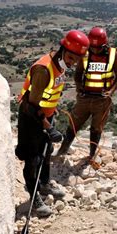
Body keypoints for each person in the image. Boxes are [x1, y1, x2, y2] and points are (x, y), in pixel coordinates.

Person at [15, 30, 89, 217]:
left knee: (46, 152)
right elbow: (31, 105)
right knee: (33, 160)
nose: (72, 63)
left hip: (45, 116)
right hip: (31, 119)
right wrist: (49, 127)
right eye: (71, 57)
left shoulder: (60, 65)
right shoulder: (43, 69)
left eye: (76, 60)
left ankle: (45, 185)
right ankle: (34, 198)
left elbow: (48, 95)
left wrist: (52, 112)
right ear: (63, 49)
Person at [56, 27, 117, 167]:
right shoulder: (85, 55)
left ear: (104, 45)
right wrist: (79, 87)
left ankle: (92, 155)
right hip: (84, 98)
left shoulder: (113, 54)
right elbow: (78, 74)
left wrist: (110, 92)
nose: (95, 50)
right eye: (92, 47)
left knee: (96, 129)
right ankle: (62, 151)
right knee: (74, 124)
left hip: (102, 100)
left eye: (98, 47)